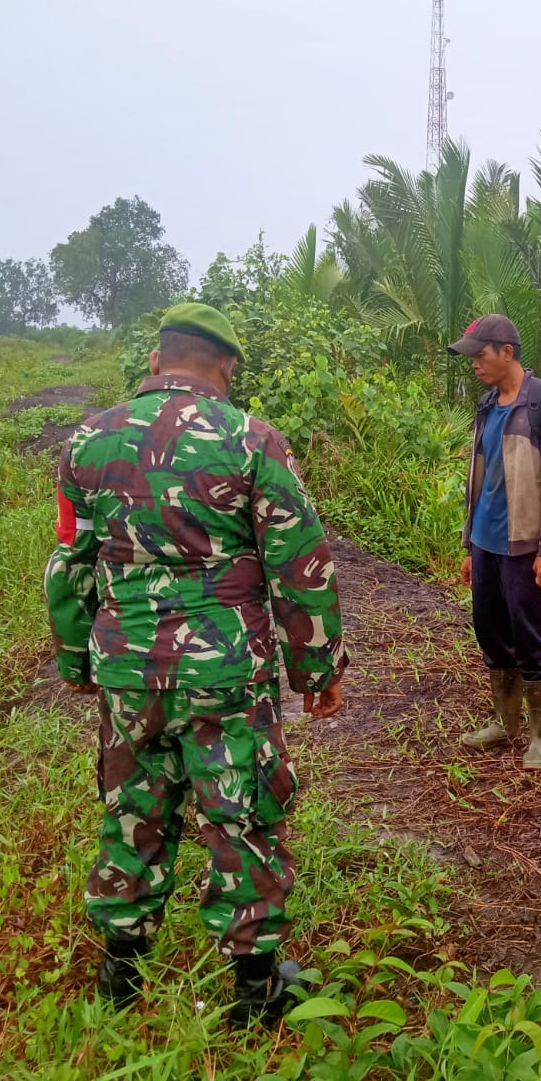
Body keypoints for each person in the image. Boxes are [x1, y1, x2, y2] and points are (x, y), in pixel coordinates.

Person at [44, 301, 348, 1027]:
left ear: (156, 360)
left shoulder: (87, 440)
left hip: (125, 668)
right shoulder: (252, 440)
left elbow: (69, 562)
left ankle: (120, 980)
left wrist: (76, 654)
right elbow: (300, 566)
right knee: (241, 814)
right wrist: (318, 671)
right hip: (226, 673)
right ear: (228, 367)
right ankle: (256, 991)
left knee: (133, 811)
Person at [451, 314, 541, 770]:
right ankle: (505, 723)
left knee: (530, 637)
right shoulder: (486, 403)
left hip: (526, 546)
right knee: (490, 631)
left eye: (479, 355)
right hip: (486, 541)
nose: (475, 365)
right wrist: (469, 545)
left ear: (507, 352)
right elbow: (476, 478)